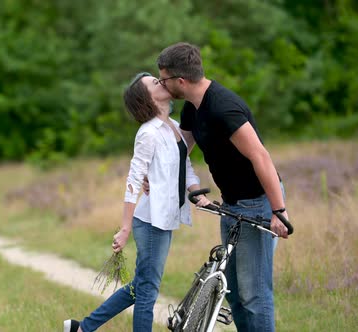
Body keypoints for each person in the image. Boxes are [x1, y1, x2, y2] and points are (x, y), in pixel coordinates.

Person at [155, 42, 290, 332]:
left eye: (163, 79)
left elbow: (260, 156)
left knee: (255, 295)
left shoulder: (223, 107)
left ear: (180, 81)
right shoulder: (193, 107)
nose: (161, 84)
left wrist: (278, 211)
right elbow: (183, 148)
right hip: (231, 204)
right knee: (235, 294)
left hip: (258, 203)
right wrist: (153, 175)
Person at [63, 72, 210, 332]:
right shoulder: (148, 134)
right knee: (147, 292)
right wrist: (125, 227)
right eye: (154, 82)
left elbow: (183, 164)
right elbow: (133, 180)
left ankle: (83, 328)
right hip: (149, 221)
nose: (161, 81)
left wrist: (197, 193)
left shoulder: (174, 127)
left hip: (164, 218)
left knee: (140, 285)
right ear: (147, 99)